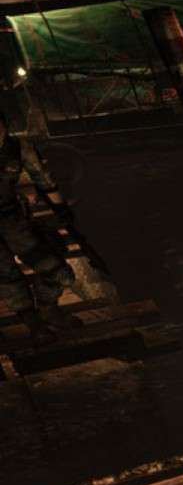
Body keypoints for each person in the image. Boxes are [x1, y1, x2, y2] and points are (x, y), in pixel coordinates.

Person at [0, 107, 76, 335]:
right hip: (12, 222)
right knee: (7, 278)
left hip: (13, 220)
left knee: (57, 271)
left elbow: (43, 179)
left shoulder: (18, 148)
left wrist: (60, 208)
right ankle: (34, 325)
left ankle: (48, 310)